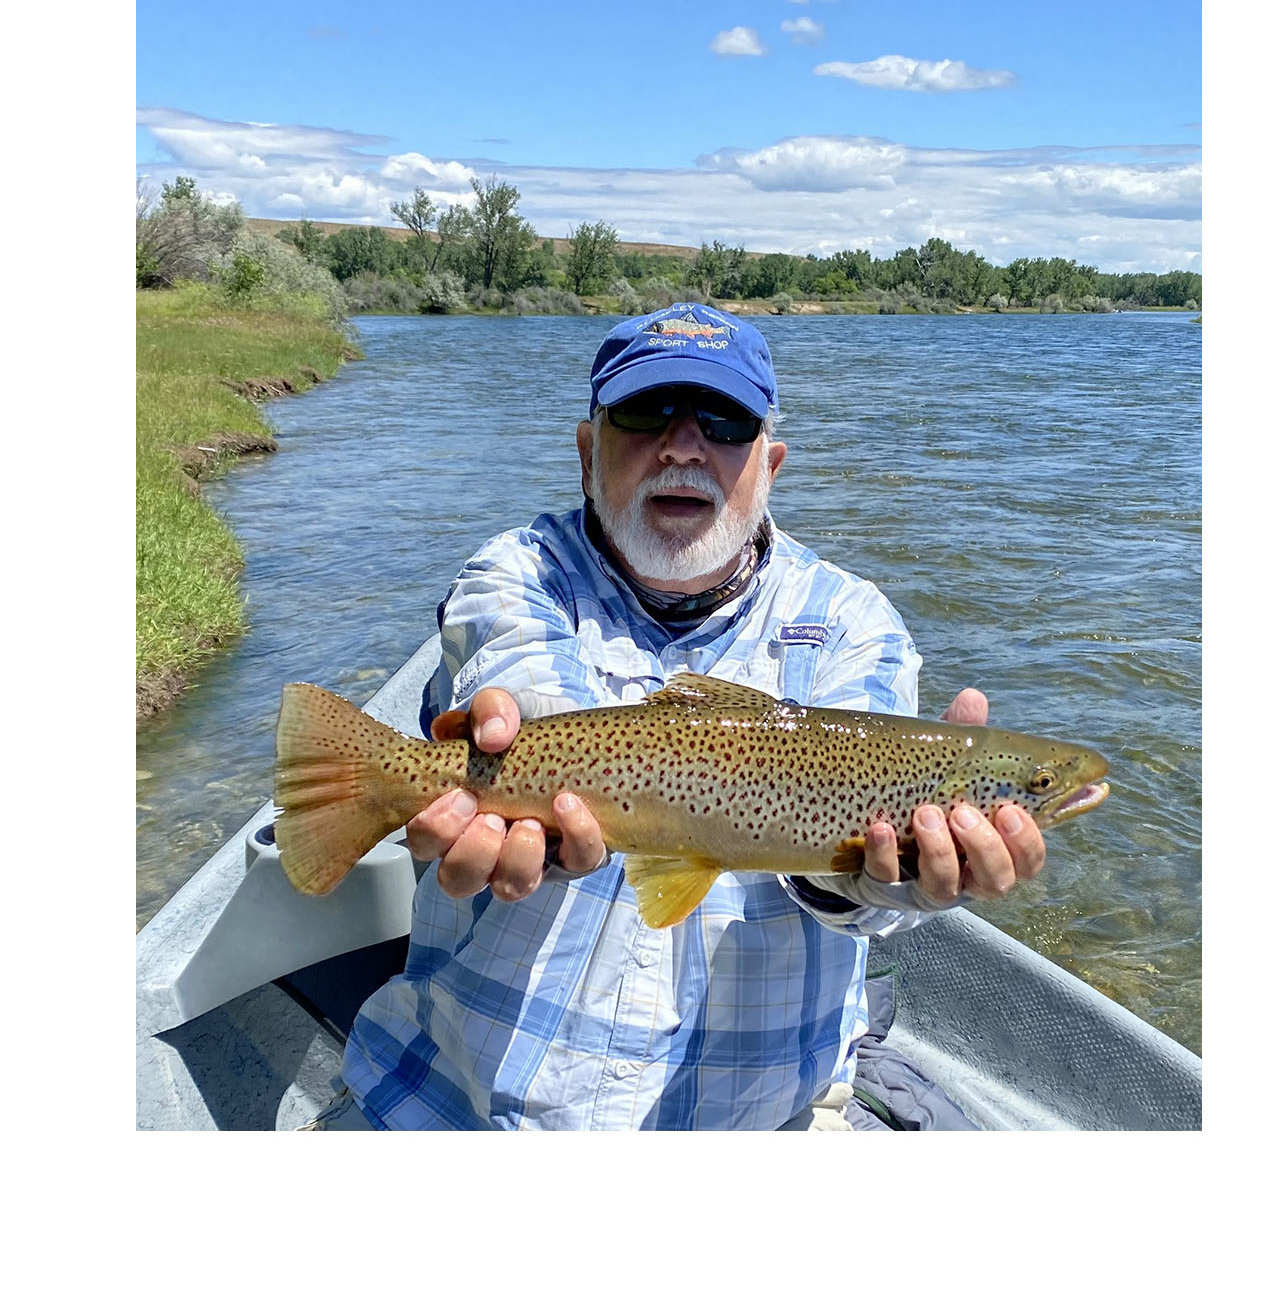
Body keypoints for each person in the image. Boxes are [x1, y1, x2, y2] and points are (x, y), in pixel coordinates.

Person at [340, 303, 1046, 1130]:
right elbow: (525, 675)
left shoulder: (856, 622)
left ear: (769, 464)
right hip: (458, 1106)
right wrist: (534, 772)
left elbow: (850, 865)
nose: (682, 445)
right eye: (643, 413)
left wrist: (878, 884)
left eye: (724, 421)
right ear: (585, 453)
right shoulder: (517, 572)